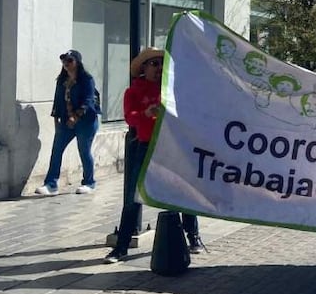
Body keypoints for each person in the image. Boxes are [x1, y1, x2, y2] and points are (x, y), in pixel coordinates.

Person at [105, 48, 204, 263]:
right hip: (145, 146)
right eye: (154, 64)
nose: (159, 68)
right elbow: (130, 119)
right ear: (144, 68)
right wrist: (146, 114)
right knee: (133, 196)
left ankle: (193, 236)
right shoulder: (134, 91)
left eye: (161, 63)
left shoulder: (172, 89)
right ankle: (121, 247)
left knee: (181, 192)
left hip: (171, 146)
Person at [36, 50, 100, 195]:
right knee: (57, 150)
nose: (66, 63)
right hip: (66, 121)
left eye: (70, 60)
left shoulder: (86, 79)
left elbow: (89, 100)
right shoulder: (62, 80)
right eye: (64, 60)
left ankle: (89, 183)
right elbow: (58, 101)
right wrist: (56, 119)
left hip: (86, 121)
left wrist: (76, 116)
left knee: (84, 150)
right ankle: (51, 184)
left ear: (77, 62)